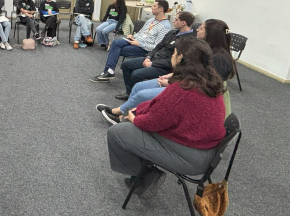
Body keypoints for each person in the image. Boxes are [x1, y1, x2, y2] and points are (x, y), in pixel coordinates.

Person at [106, 38, 226, 198]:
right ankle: (143, 171)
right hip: (205, 150)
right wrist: (139, 111)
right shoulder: (209, 82)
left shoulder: (182, 89)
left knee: (117, 132)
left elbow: (152, 122)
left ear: (181, 58)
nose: (172, 57)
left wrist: (134, 118)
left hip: (190, 156)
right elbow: (161, 109)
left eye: (174, 53)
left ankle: (144, 174)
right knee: (135, 118)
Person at [97, 18, 235, 124]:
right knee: (139, 86)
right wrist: (170, 76)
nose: (198, 29)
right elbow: (192, 70)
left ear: (209, 33)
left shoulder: (219, 59)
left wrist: (170, 84)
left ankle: (121, 115)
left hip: (190, 91)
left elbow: (201, 86)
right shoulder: (204, 49)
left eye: (202, 27)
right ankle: (124, 114)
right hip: (181, 80)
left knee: (142, 95)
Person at [112, 11, 195, 98]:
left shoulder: (189, 41)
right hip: (155, 58)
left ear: (183, 23)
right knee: (126, 65)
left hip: (165, 66)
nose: (173, 21)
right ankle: (130, 93)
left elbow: (176, 62)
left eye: (176, 19)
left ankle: (138, 98)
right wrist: (148, 57)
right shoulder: (172, 33)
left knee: (136, 74)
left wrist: (152, 64)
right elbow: (158, 47)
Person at [90, 0, 171, 81]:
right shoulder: (151, 20)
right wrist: (133, 36)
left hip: (144, 48)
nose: (151, 7)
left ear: (161, 9)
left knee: (116, 49)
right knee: (116, 43)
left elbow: (157, 48)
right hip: (135, 41)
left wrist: (139, 44)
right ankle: (109, 71)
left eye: (154, 6)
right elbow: (140, 33)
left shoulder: (165, 27)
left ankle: (108, 72)